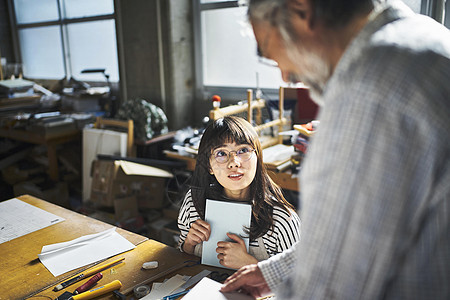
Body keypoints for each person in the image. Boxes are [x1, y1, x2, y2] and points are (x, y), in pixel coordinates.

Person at [221, 0, 450, 299]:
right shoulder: (424, 41)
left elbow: (331, 289)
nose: (284, 74)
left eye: (267, 49)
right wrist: (275, 272)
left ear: (300, 9)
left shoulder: (370, 88)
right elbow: (356, 237)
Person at [177, 116, 300, 269]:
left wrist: (251, 265)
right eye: (221, 153)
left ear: (258, 158)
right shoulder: (194, 203)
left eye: (243, 150)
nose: (234, 162)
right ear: (209, 166)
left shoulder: (281, 220)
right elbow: (181, 259)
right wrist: (189, 244)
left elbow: (297, 283)